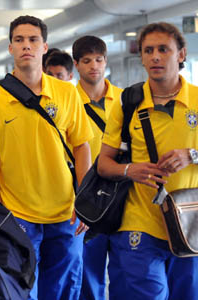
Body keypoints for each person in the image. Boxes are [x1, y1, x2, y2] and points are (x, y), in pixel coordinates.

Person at [98, 22, 198, 300]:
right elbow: (104, 165)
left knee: (189, 294)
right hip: (139, 221)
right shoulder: (128, 101)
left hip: (190, 224)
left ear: (181, 54)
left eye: (163, 49)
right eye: (148, 51)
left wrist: (192, 155)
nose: (155, 56)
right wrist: (129, 169)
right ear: (142, 57)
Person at [0, 15, 93, 300]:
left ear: (44, 46)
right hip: (18, 216)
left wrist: (86, 199)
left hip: (65, 213)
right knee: (19, 290)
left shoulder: (67, 94)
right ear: (10, 48)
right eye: (19, 40)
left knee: (62, 288)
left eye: (33, 40)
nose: (26, 45)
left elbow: (81, 146)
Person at [72, 35, 123, 300]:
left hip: (121, 194)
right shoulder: (68, 102)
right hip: (86, 195)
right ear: (76, 65)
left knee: (126, 270)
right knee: (88, 271)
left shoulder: (127, 99)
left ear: (106, 61)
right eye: (87, 60)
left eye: (99, 59)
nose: (94, 66)